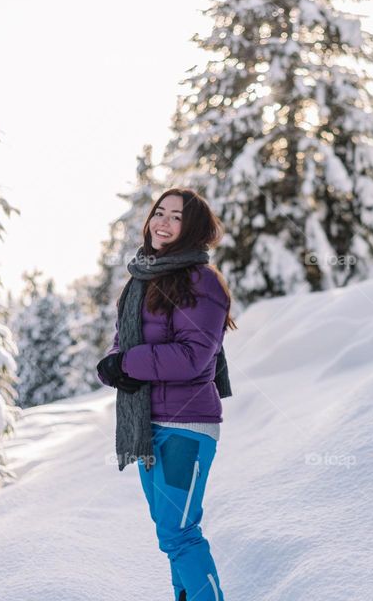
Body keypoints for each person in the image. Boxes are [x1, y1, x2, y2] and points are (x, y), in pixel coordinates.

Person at [96, 188, 237, 601]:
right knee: (169, 531)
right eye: (160, 213)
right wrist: (113, 364)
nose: (164, 222)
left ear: (192, 228)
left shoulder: (202, 281)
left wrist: (127, 364)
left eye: (176, 217)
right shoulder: (142, 278)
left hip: (187, 426)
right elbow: (123, 342)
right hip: (148, 423)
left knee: (180, 532)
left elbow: (194, 357)